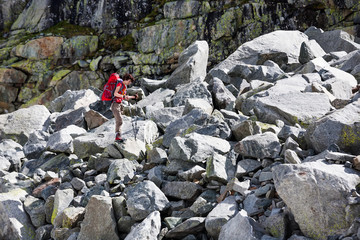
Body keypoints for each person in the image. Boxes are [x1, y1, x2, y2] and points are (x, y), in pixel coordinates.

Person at [111, 73, 137, 142]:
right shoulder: (119, 84)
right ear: (126, 79)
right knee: (119, 120)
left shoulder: (124, 87)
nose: (129, 83)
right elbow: (115, 93)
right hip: (115, 104)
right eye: (129, 81)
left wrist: (133, 97)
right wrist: (123, 97)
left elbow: (125, 97)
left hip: (120, 104)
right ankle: (117, 136)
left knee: (119, 120)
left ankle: (119, 136)